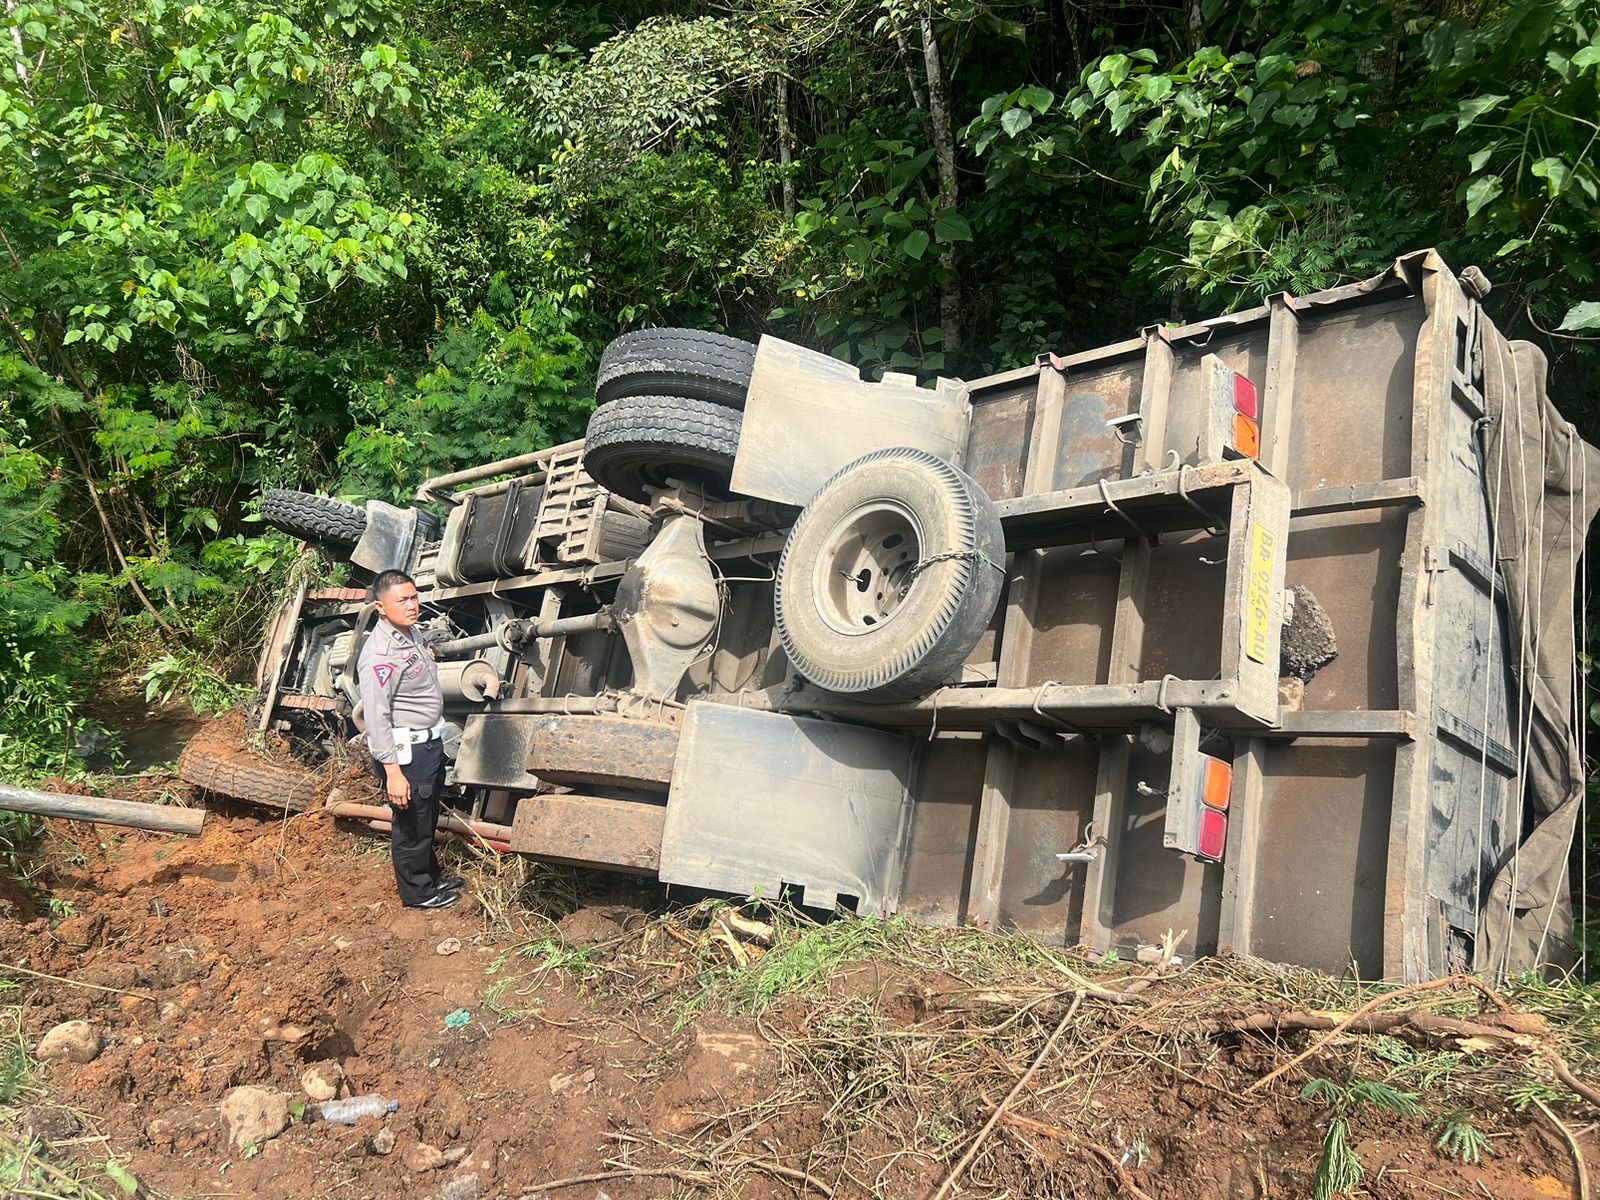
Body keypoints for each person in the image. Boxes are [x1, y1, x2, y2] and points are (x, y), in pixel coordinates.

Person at [357, 569, 464, 910]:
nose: (412, 604)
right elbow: (376, 717)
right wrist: (393, 773)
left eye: (414, 596)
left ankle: (429, 877)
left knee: (425, 817)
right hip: (405, 752)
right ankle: (418, 894)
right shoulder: (380, 654)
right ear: (381, 607)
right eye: (401, 600)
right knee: (411, 826)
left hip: (427, 744)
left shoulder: (410, 634)